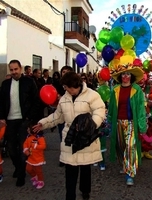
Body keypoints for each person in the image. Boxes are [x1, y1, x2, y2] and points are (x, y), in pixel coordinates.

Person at [33, 71, 105, 200]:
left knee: (85, 168)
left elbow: (99, 111)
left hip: (85, 139)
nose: (64, 89)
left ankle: (85, 191)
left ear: (72, 85)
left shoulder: (92, 95)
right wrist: (42, 123)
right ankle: (70, 196)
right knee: (70, 171)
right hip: (70, 138)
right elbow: (57, 117)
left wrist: (89, 126)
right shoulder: (64, 99)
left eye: (66, 86)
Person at [0, 59, 40, 187]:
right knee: (11, 148)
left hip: (24, 120)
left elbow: (35, 101)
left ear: (20, 69)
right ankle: (18, 167)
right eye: (11, 70)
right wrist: (2, 117)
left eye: (16, 69)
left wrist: (31, 119)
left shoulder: (29, 82)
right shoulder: (5, 84)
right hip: (10, 120)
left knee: (23, 148)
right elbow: (1, 102)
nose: (13, 72)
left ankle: (21, 174)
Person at [108, 61, 147, 186]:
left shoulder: (137, 90)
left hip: (131, 122)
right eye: (123, 75)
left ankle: (130, 173)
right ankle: (124, 164)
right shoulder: (115, 90)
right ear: (120, 77)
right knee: (120, 145)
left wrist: (142, 126)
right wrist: (109, 122)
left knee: (131, 146)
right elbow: (111, 108)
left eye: (128, 74)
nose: (125, 77)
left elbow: (141, 108)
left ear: (131, 77)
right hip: (118, 121)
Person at [23, 121, 46, 189]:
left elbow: (43, 146)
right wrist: (26, 150)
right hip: (31, 157)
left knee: (39, 171)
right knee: (28, 169)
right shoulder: (28, 138)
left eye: (29, 129)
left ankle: (41, 181)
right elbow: (25, 145)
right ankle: (35, 176)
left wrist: (36, 146)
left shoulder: (40, 138)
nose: (27, 130)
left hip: (38, 158)